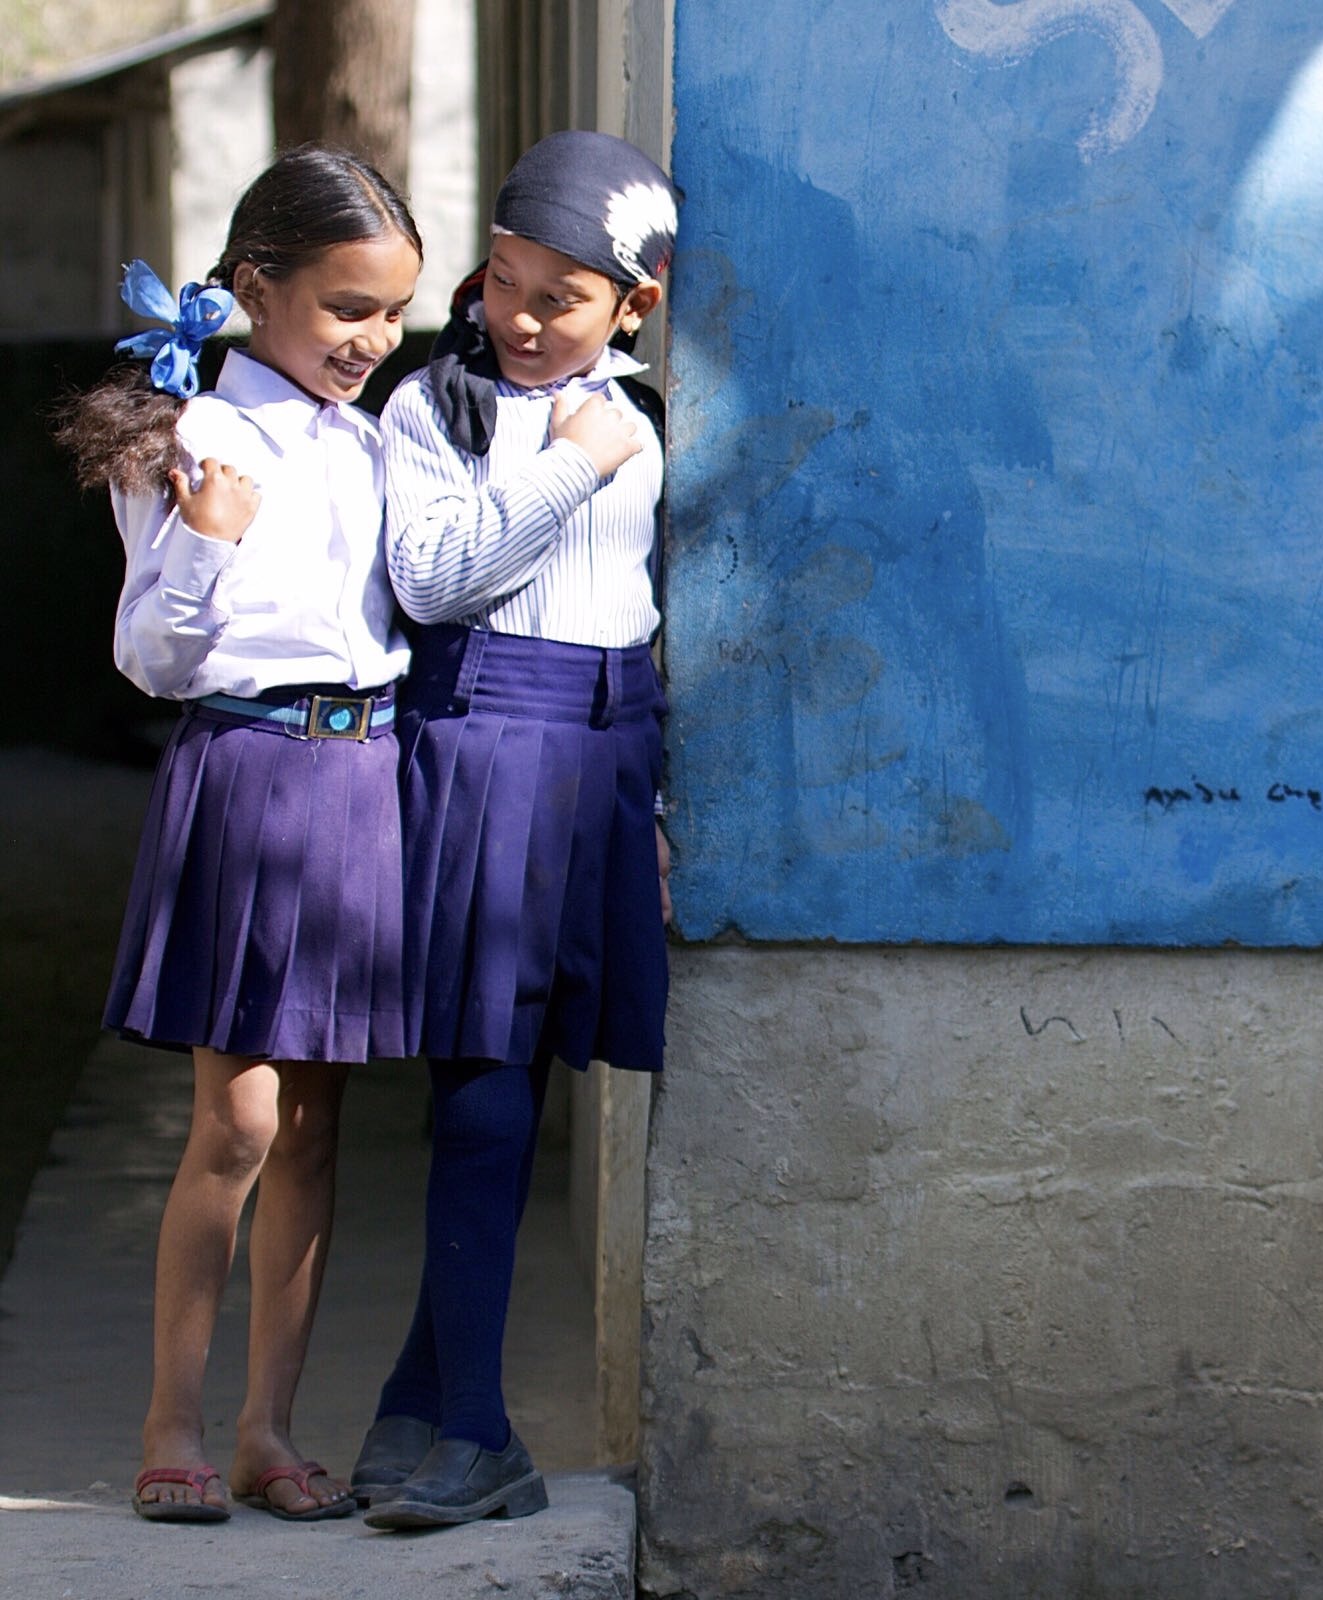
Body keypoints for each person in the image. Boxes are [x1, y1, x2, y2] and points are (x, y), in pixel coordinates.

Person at [57, 144, 422, 1523]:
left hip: (364, 779)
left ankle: (271, 1430)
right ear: (257, 289)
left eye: (393, 313)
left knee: (318, 1129)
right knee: (241, 1120)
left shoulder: (374, 441)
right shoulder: (193, 436)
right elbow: (151, 660)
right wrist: (207, 538)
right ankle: (173, 1427)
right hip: (252, 775)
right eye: (346, 309)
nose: (372, 340)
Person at [350, 129, 681, 1533]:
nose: (525, 319)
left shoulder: (646, 412)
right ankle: (478, 1430)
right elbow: (434, 581)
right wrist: (567, 467)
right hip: (488, 738)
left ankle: (414, 1408)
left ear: (632, 306)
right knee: (482, 1075)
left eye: (564, 298)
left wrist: (651, 805)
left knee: (528, 1065)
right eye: (505, 283)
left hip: (608, 751)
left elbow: (651, 606)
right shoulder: (441, 408)